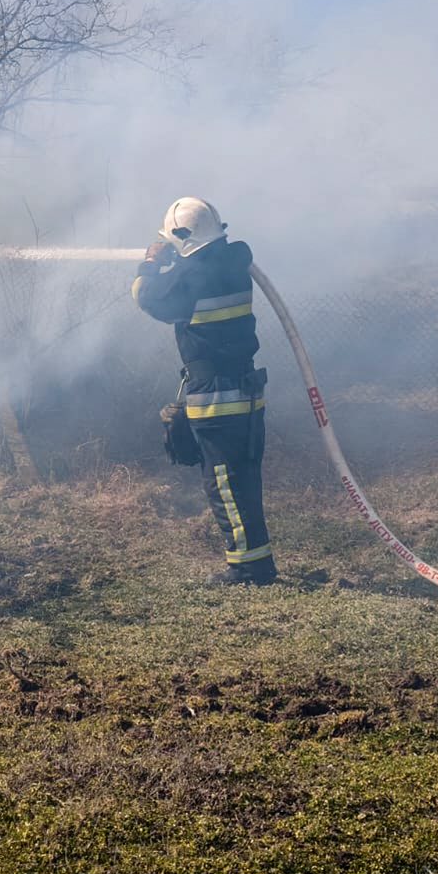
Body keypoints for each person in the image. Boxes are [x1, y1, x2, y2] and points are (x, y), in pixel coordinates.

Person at [132, 197, 277, 585]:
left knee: (224, 484)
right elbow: (197, 270)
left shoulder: (193, 277)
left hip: (216, 396)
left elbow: (147, 298)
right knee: (244, 481)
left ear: (181, 238)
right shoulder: (232, 264)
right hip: (246, 392)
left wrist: (150, 263)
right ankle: (258, 562)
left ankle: (246, 569)